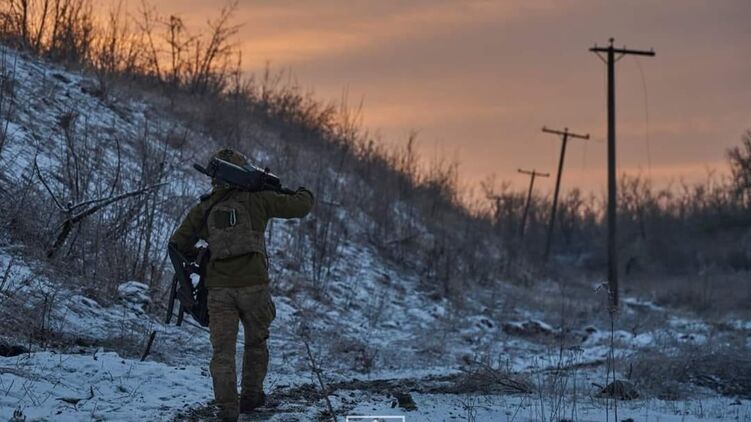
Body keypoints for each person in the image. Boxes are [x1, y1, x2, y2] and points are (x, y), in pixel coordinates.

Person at [169, 148, 314, 421]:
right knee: (256, 344)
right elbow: (302, 206)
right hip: (254, 288)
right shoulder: (258, 200)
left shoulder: (205, 207)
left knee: (222, 352)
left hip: (220, 292)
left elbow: (177, 244)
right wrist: (303, 191)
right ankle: (251, 398)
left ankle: (227, 410)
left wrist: (201, 256)